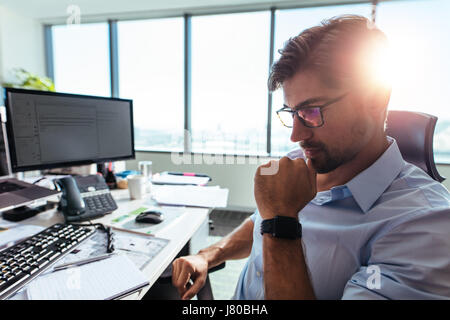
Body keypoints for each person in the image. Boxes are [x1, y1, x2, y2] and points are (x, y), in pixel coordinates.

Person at [171, 15, 450, 300]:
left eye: (311, 111)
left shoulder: (423, 226)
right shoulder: (301, 161)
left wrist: (281, 221)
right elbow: (258, 223)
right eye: (292, 113)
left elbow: (273, 221)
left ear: (376, 99)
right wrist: (209, 254)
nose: (295, 136)